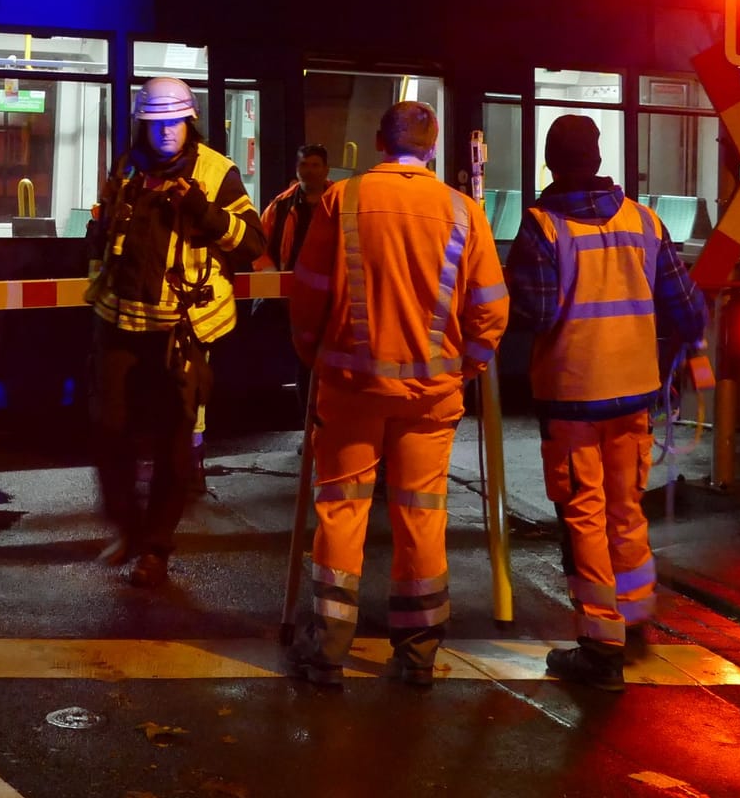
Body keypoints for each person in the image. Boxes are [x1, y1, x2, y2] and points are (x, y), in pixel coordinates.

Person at [285, 101, 509, 688]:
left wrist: (313, 355)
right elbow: (490, 308)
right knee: (422, 516)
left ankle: (328, 647)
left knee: (341, 509)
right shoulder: (463, 211)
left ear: (379, 143)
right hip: (431, 397)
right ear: (432, 149)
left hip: (351, 386)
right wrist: (467, 367)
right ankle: (417, 652)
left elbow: (308, 293)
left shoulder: (342, 200)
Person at [507, 114, 706, 692]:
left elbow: (536, 314)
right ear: (597, 159)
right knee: (626, 506)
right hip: (635, 395)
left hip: (572, 396)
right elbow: (687, 307)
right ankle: (636, 612)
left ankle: (600, 644)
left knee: (584, 515)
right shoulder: (644, 220)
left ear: (550, 162)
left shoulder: (543, 226)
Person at [85, 76, 265, 588]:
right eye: (157, 123)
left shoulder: (217, 173)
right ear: (144, 124)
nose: (167, 132)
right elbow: (102, 234)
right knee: (108, 431)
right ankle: (127, 529)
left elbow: (251, 243)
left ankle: (155, 551)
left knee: (172, 445)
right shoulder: (127, 168)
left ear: (191, 121)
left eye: (176, 122)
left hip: (179, 330)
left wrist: (202, 212)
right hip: (118, 322)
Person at [258, 145, 332, 272]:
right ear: (297, 169)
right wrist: (269, 273)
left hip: (331, 282)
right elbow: (258, 244)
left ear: (326, 170)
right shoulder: (280, 206)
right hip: (290, 282)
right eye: (304, 165)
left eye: (315, 165)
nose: (309, 171)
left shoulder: (340, 201)